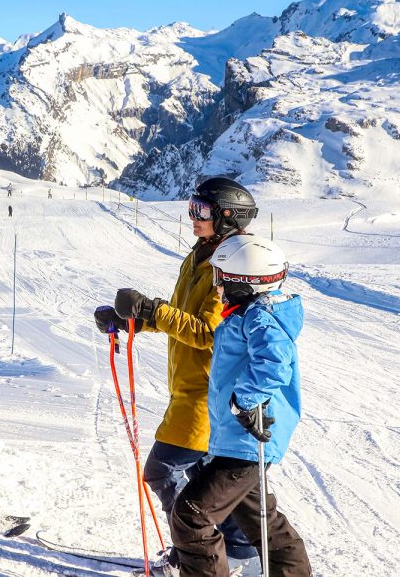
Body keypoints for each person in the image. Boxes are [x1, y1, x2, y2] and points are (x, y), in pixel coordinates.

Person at [95, 177, 260, 566]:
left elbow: (207, 332)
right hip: (187, 390)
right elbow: (180, 317)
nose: (192, 216)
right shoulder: (200, 254)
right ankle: (238, 555)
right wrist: (130, 320)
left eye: (201, 211)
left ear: (227, 218)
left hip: (206, 395)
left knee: (161, 471)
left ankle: (196, 553)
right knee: (213, 481)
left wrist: (150, 310)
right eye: (191, 207)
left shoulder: (229, 266)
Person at [170, 234, 310, 576]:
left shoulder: (260, 318)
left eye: (221, 278)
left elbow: (274, 364)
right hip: (236, 439)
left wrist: (244, 402)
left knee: (191, 516)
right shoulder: (249, 314)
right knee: (259, 518)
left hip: (247, 439)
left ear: (243, 282)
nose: (216, 287)